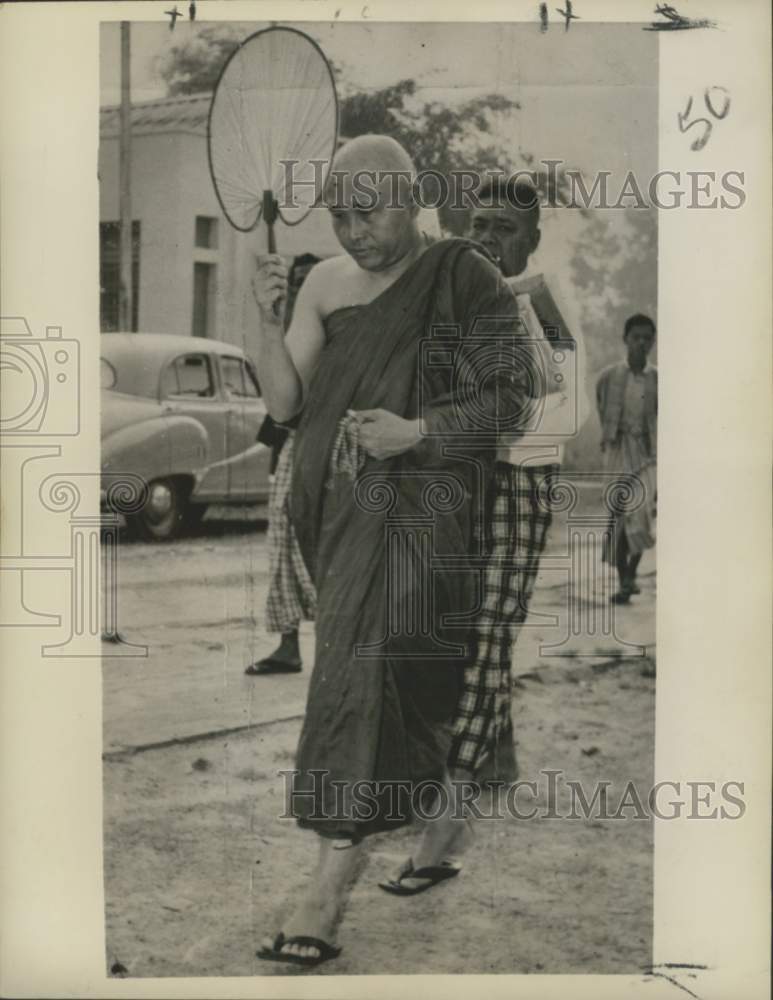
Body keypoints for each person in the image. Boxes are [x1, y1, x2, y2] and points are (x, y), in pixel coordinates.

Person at [251, 135, 529, 966]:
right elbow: (284, 402)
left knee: (372, 675)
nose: (352, 232)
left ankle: (326, 890)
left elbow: (508, 401)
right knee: (362, 675)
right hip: (338, 516)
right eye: (338, 215)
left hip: (427, 509)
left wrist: (417, 433)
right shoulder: (327, 284)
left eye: (367, 212)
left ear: (408, 200)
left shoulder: (461, 274)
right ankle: (423, 821)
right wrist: (267, 321)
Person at [444, 175, 591, 787]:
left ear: (531, 240)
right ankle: (496, 759)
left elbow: (571, 408)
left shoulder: (543, 301)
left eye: (503, 228)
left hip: (521, 480)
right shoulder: (455, 294)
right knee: (461, 624)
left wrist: (499, 415)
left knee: (491, 627)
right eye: (478, 225)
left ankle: (454, 778)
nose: (486, 238)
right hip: (460, 478)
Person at [245, 255, 321, 676]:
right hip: (292, 447)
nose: (301, 290)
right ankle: (288, 643)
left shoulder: (334, 324)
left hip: (328, 444)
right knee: (282, 544)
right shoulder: (286, 331)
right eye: (296, 283)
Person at [596, 314, 657, 603]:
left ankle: (632, 572)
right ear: (625, 339)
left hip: (646, 455)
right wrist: (611, 436)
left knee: (642, 517)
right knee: (619, 517)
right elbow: (601, 405)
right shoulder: (610, 376)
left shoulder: (657, 378)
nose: (641, 343)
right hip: (618, 450)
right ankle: (624, 582)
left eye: (647, 338)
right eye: (636, 337)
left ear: (653, 342)